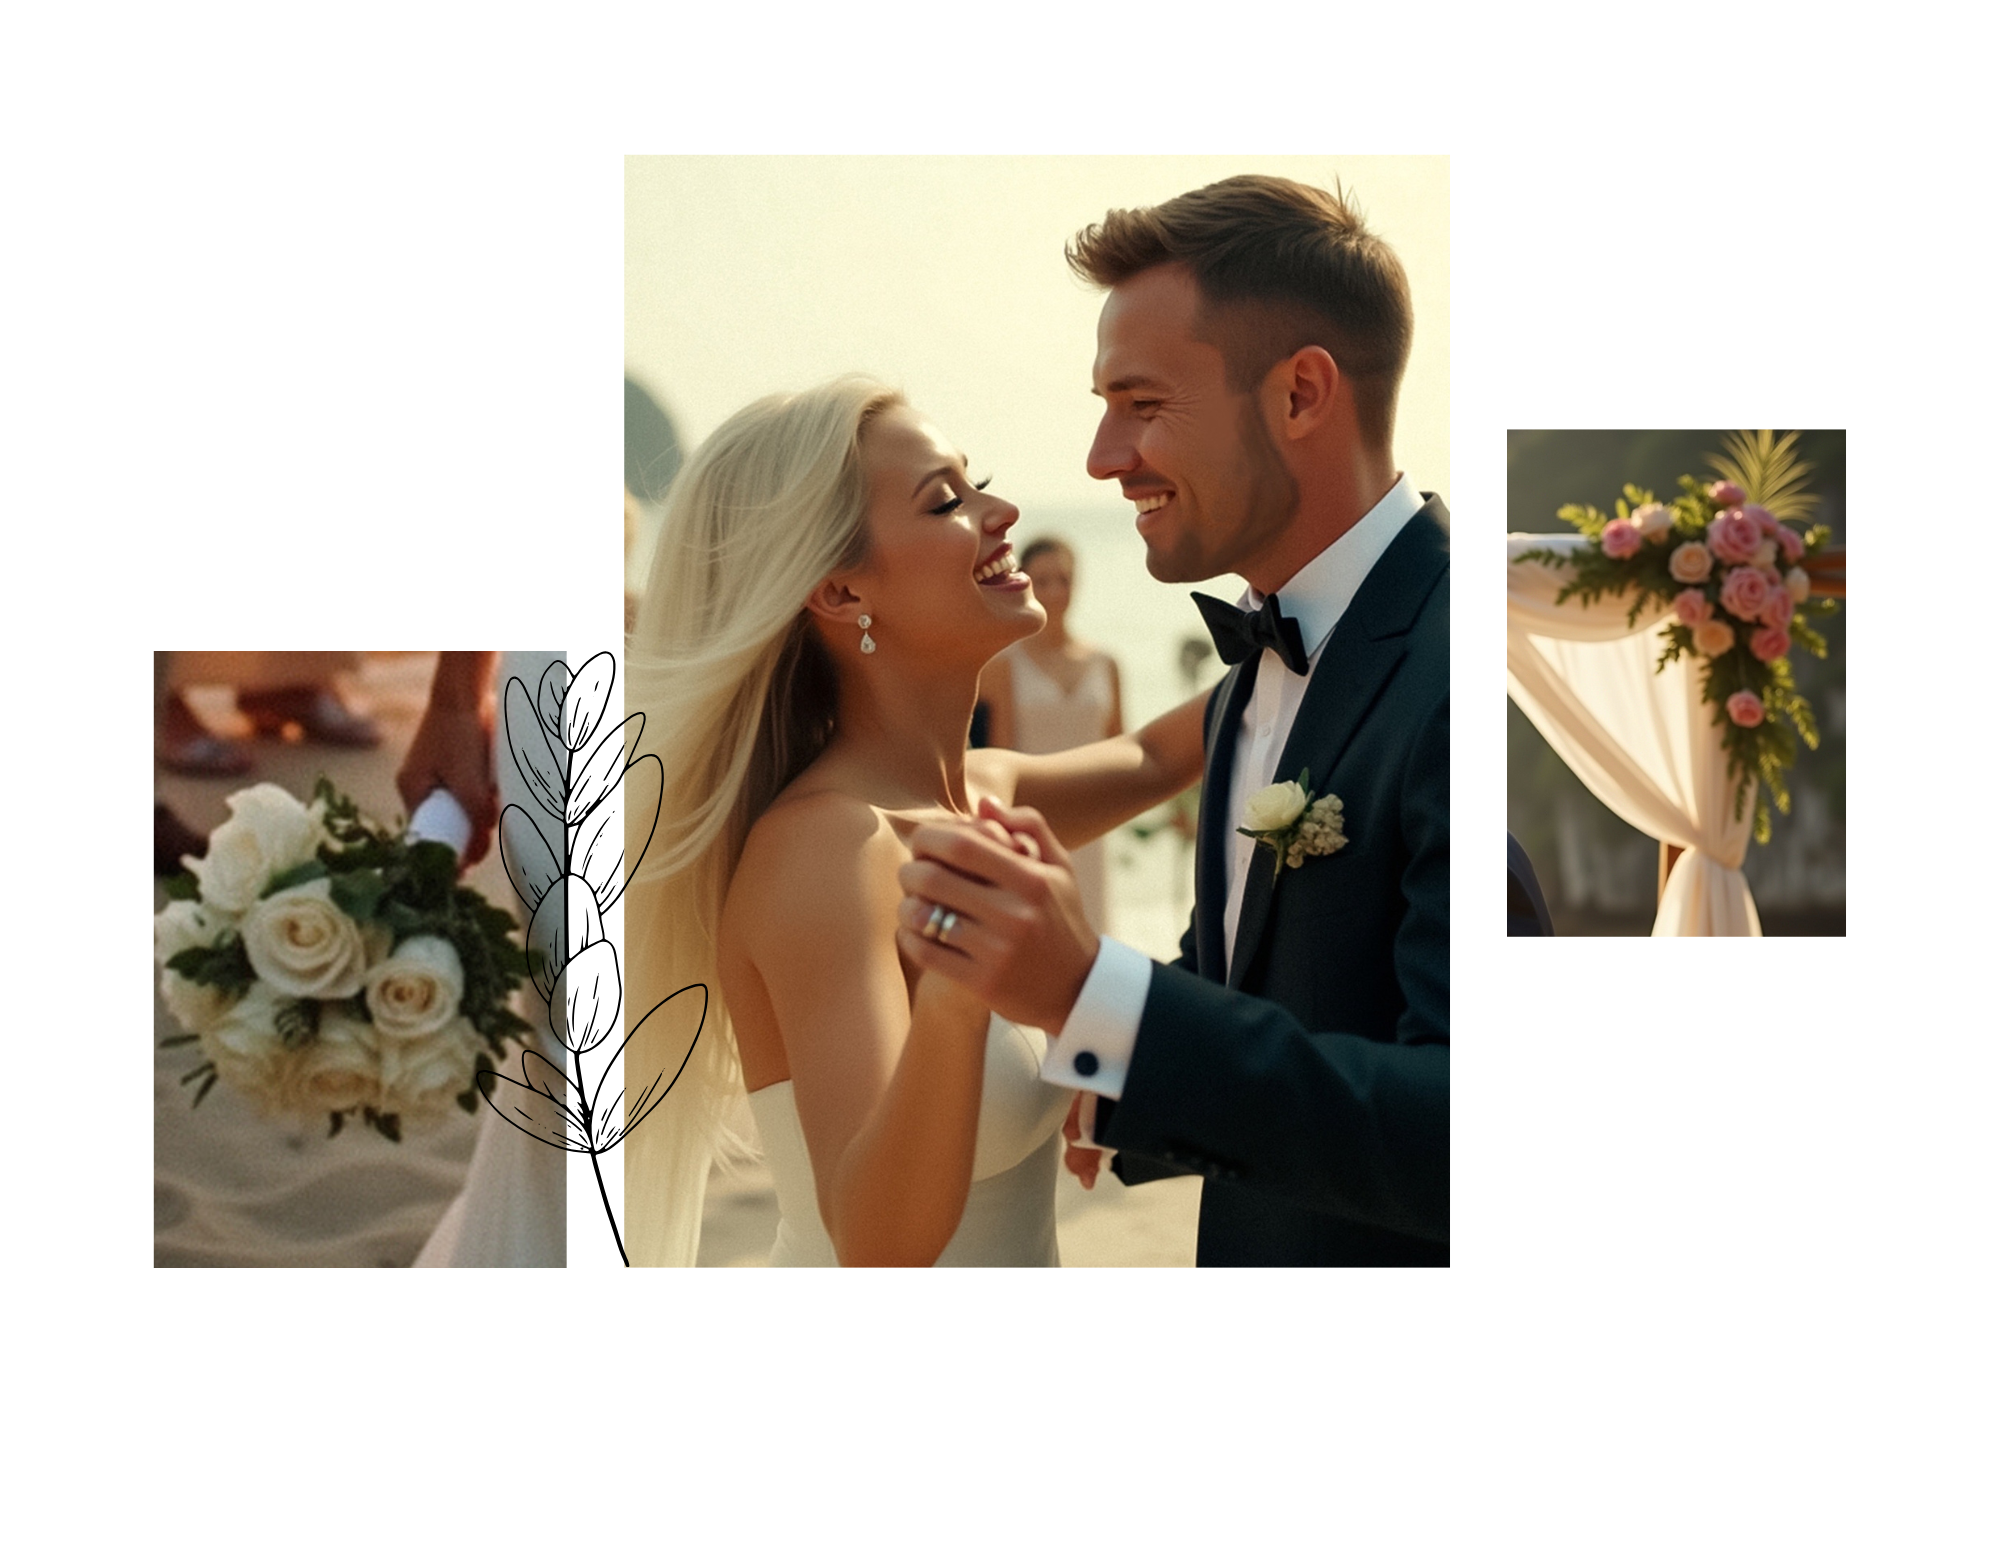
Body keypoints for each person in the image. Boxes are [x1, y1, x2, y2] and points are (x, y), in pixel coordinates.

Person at [898, 174, 1450, 1266]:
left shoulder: (1466, 668)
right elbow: (1263, 981)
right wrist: (1096, 1054)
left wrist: (1094, 993)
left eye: (1140, 405)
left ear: (1299, 395)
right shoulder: (1255, 667)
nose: (1102, 460)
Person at [622, 378, 1205, 1267]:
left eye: (977, 483)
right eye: (948, 501)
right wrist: (959, 1002)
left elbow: (1164, 758)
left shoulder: (983, 793)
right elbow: (874, 1247)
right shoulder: (828, 850)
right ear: (842, 591)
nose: (1002, 510)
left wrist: (1387, 605)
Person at [981, 537, 1123, 929]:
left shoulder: (1106, 663)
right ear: (1025, 583)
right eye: (1042, 581)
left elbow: (1122, 755)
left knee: (1094, 935)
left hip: (1094, 826)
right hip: (1031, 824)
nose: (1055, 591)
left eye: (1064, 579)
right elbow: (999, 756)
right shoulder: (1003, 665)